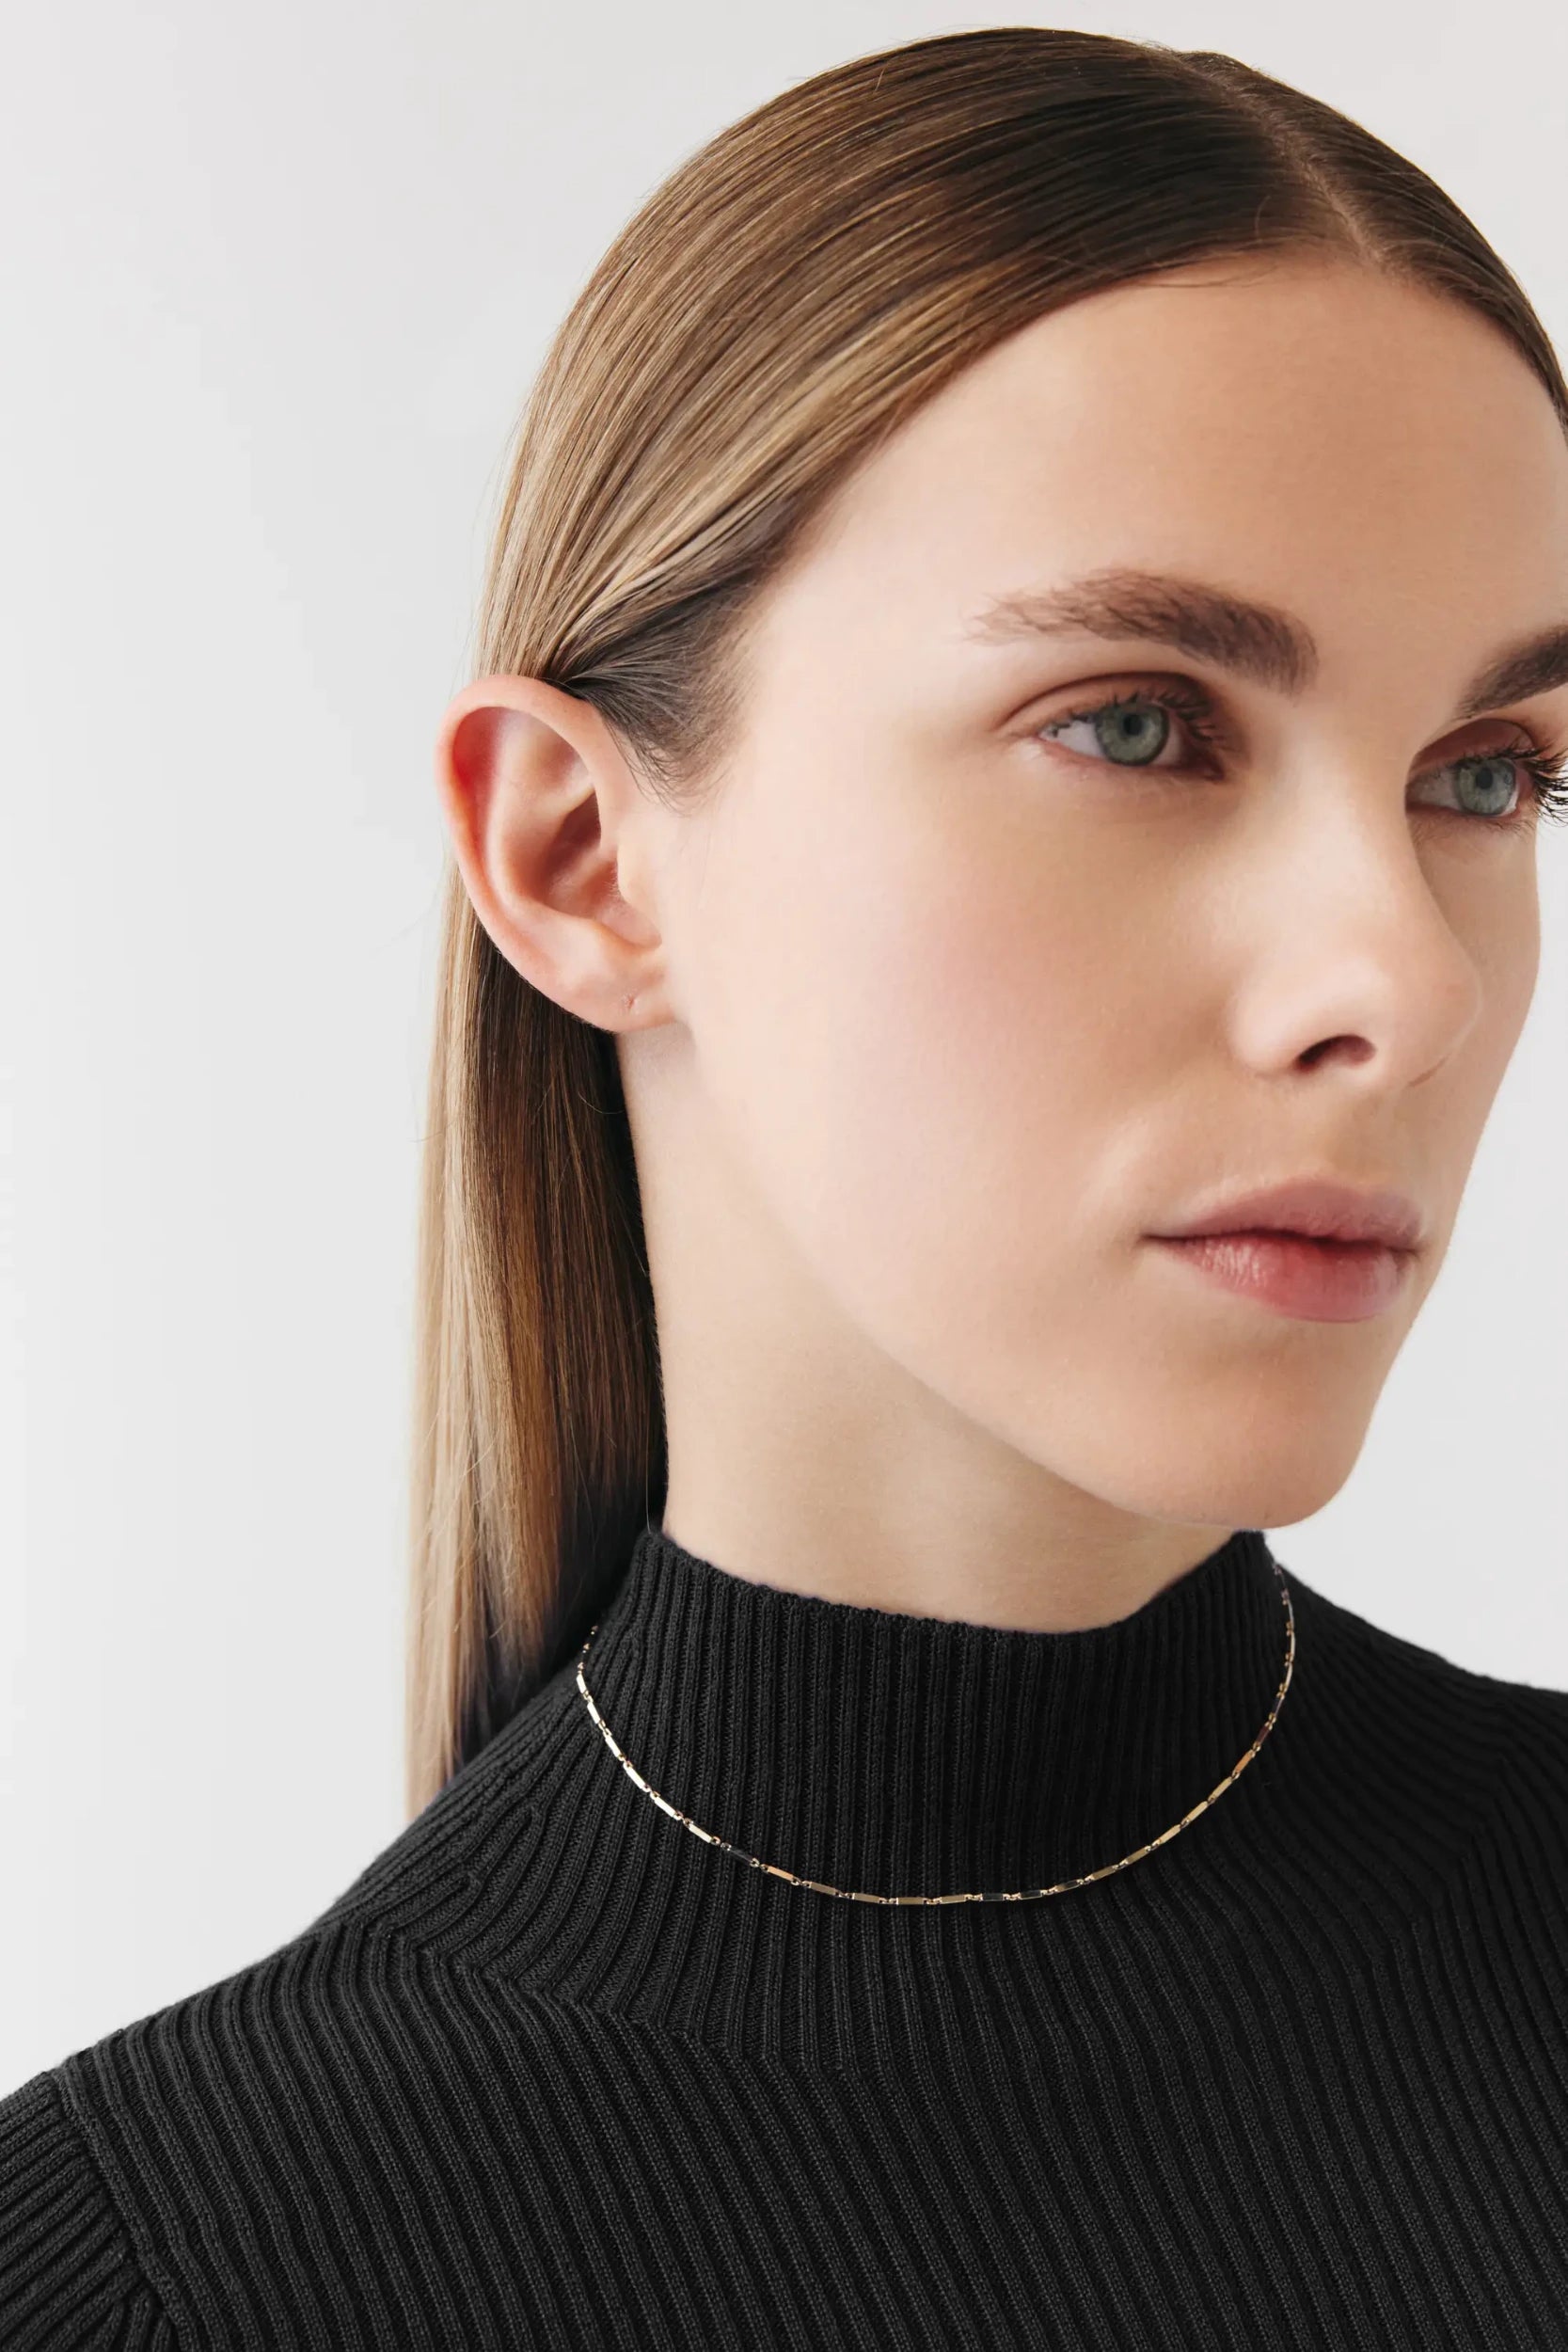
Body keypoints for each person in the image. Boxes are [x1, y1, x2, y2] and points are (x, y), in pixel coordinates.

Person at [7, 24, 1568, 2348]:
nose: (1406, 982)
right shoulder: (153, 2273)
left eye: (1491, 771)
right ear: (580, 856)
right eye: (1137, 722)